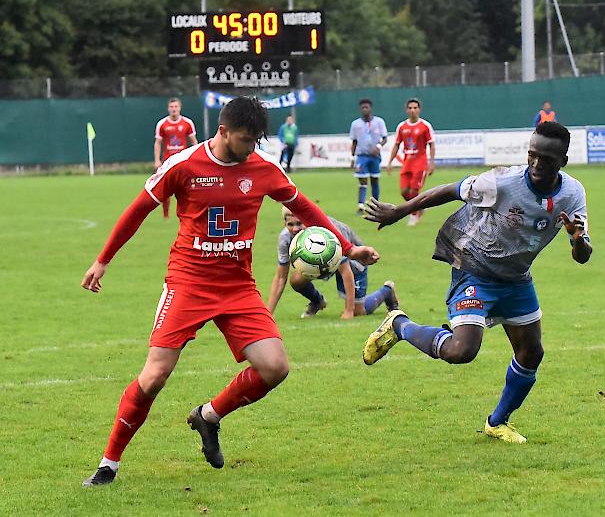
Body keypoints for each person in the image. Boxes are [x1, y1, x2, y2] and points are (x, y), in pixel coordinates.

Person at [80, 97, 379, 487]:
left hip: (238, 286)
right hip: (188, 283)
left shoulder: (264, 168)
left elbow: (306, 208)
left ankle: (208, 416)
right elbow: (137, 210)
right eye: (244, 139)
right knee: (154, 376)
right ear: (222, 131)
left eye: (256, 140)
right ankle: (109, 464)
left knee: (275, 367)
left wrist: (349, 247)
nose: (249, 148)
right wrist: (103, 260)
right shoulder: (184, 165)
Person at [362, 122, 592, 444]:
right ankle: (399, 325)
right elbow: (449, 190)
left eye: (547, 159)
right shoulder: (502, 182)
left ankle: (497, 422)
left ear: (563, 162)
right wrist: (401, 211)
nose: (537, 164)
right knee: (461, 350)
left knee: (531, 352)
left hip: (516, 278)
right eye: (532, 155)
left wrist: (577, 239)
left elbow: (582, 255)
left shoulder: (573, 194)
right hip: (475, 268)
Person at [267, 207, 399, 319]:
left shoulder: (327, 233)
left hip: (353, 260)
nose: (295, 229)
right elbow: (280, 277)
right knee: (296, 280)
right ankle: (317, 302)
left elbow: (345, 270)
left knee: (359, 312)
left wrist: (349, 310)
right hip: (323, 263)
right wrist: (268, 315)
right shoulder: (285, 238)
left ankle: (387, 291)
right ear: (284, 223)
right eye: (290, 224)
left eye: (299, 223)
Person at [387, 98, 436, 226]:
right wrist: (390, 162)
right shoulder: (402, 126)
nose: (412, 110)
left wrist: (431, 163)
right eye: (410, 108)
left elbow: (431, 145)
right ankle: (420, 207)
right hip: (407, 162)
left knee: (414, 191)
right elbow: (397, 145)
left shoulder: (425, 126)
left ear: (419, 109)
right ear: (406, 110)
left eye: (415, 108)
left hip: (420, 162)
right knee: (404, 192)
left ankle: (413, 215)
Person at [154, 97, 198, 219]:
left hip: (183, 161)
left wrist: (197, 158)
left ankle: (187, 213)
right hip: (167, 161)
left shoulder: (187, 123)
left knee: (186, 187)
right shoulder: (162, 124)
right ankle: (166, 215)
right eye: (171, 107)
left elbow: (194, 141)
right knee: (165, 188)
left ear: (180, 108)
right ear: (168, 108)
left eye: (176, 107)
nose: (174, 109)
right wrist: (157, 160)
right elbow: (158, 142)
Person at [350, 99, 388, 214]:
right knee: (362, 181)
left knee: (375, 180)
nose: (365, 109)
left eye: (366, 107)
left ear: (371, 108)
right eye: (363, 108)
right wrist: (352, 158)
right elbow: (354, 142)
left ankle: (376, 206)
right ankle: (361, 205)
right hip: (362, 156)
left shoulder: (379, 122)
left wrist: (378, 146)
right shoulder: (355, 124)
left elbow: (385, 138)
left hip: (375, 156)